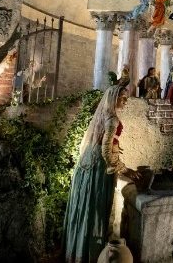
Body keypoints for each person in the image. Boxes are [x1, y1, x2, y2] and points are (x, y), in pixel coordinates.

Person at [62, 85, 141, 263]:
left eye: (126, 97)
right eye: (122, 97)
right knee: (95, 207)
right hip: (99, 167)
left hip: (88, 161)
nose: (125, 101)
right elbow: (106, 151)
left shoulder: (104, 114)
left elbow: (105, 142)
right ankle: (91, 254)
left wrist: (115, 148)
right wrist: (125, 169)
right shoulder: (112, 119)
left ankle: (77, 250)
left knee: (85, 205)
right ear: (113, 98)